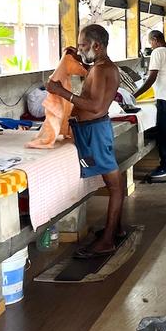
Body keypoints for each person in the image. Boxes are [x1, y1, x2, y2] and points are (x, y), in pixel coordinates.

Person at [46, 24, 123, 258]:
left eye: (82, 46)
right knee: (115, 184)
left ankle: (107, 240)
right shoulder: (100, 67)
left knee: (115, 185)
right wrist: (75, 58)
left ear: (96, 46)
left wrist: (61, 92)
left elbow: (97, 107)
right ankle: (114, 229)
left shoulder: (102, 69)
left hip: (95, 132)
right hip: (92, 130)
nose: (80, 50)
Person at [133, 30, 166, 181]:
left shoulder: (157, 53)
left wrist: (134, 95)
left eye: (151, 43)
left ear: (155, 40)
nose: (151, 45)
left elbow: (151, 78)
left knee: (164, 135)